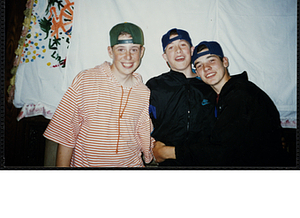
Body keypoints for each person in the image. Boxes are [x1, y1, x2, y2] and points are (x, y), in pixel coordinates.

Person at [153, 40, 289, 167]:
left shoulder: (242, 94)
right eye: (199, 65)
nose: (206, 68)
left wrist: (168, 152)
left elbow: (222, 152)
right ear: (197, 73)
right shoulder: (222, 96)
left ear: (225, 61)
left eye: (211, 60)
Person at [43, 22, 154, 167]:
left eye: (134, 49)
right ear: (110, 51)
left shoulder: (144, 92)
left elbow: (143, 133)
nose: (128, 56)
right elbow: (66, 132)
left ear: (142, 52)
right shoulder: (85, 80)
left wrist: (152, 152)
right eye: (121, 49)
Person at [146, 29, 215, 166]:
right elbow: (143, 123)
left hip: (205, 162)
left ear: (191, 49)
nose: (178, 50)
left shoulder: (210, 85)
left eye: (183, 45)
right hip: (168, 164)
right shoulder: (155, 86)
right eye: (171, 47)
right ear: (165, 56)